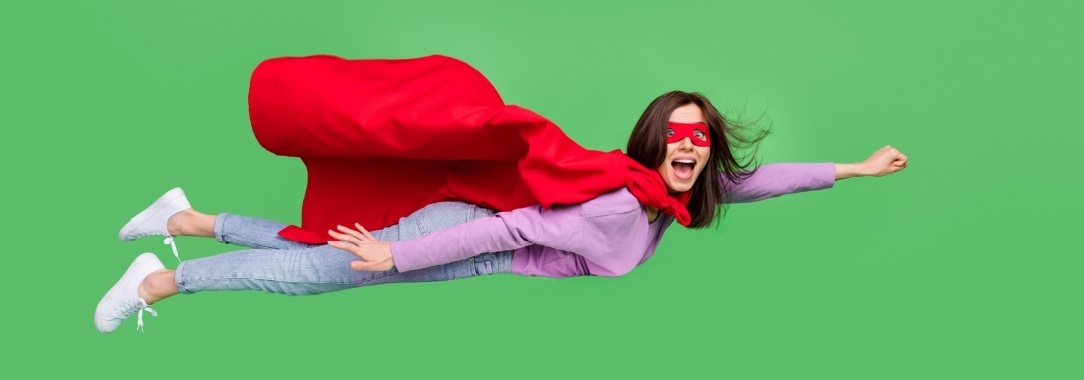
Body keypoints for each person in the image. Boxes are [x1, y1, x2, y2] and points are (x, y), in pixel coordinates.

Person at [95, 91, 908, 333]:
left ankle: (190, 218)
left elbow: (755, 182)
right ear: (657, 142)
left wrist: (854, 170)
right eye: (680, 138)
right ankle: (166, 282)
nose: (693, 151)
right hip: (459, 236)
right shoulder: (623, 206)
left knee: (317, 245)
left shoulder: (673, 196)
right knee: (317, 273)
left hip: (465, 240)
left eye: (701, 143)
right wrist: (399, 257)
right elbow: (514, 228)